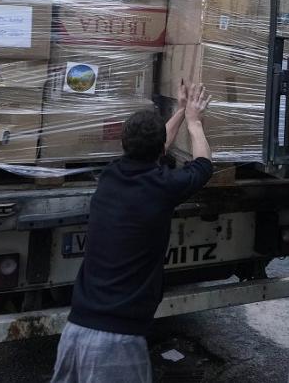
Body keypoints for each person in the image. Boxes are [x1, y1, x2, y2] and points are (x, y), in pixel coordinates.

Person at [50, 81, 214, 382]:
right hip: (116, 342)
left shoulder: (110, 176)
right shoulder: (162, 187)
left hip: (75, 331)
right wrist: (193, 120)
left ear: (124, 145)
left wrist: (179, 110)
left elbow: (157, 147)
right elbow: (203, 165)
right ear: (158, 151)